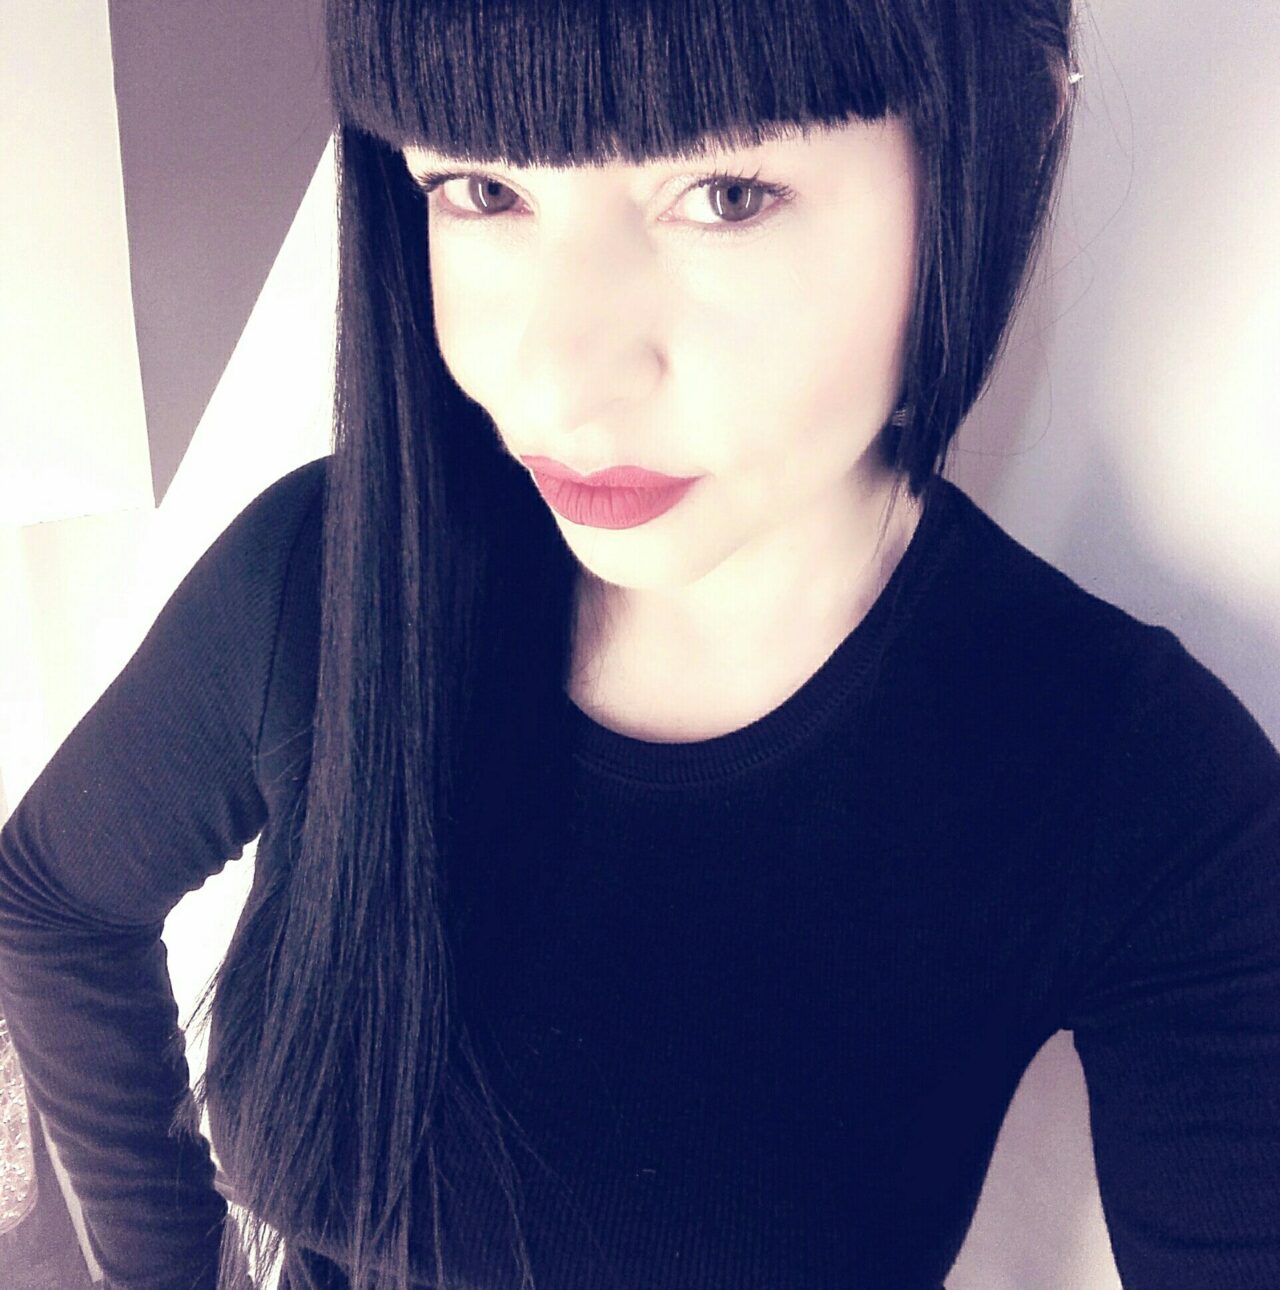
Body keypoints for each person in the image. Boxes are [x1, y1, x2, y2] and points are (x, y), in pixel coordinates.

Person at [1, 1, 1278, 1288]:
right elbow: (52, 902)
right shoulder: (330, 574)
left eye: (725, 194)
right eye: (481, 187)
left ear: (994, 152)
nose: (559, 383)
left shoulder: (1126, 780)